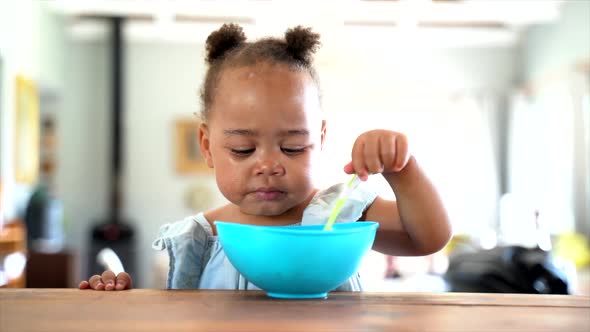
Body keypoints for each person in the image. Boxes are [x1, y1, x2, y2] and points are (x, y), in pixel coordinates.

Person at [79, 23, 452, 291]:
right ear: (207, 147)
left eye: (292, 147)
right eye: (243, 149)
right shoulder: (200, 239)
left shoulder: (341, 213)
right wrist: (119, 292)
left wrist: (403, 170)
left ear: (319, 140)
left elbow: (429, 238)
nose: (270, 165)